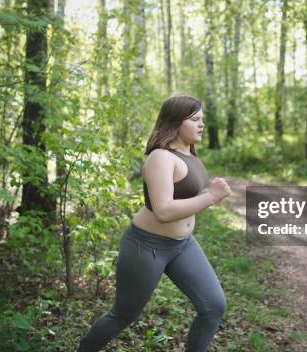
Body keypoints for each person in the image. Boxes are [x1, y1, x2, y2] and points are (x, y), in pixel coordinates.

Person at [77, 94, 232, 352]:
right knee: (123, 315)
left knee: (214, 305)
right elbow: (164, 211)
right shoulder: (161, 157)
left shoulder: (188, 153)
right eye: (195, 120)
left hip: (183, 245)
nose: (201, 125)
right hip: (147, 246)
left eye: (201, 119)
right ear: (175, 122)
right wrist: (211, 197)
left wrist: (207, 194)